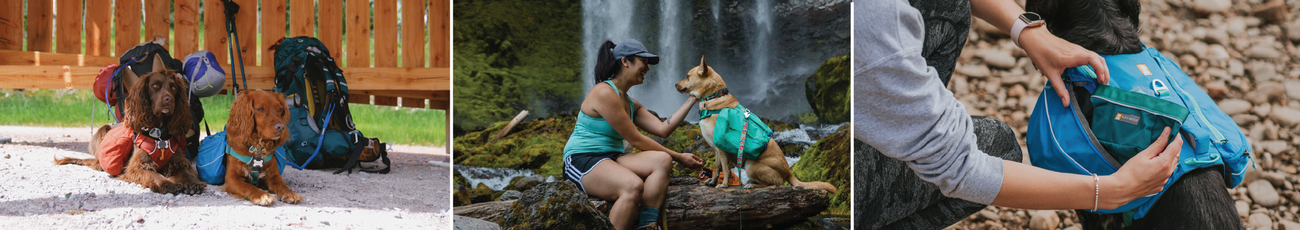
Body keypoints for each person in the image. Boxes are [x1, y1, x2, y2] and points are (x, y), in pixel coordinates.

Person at [852, 0, 1184, 229]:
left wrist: (1027, 30)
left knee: (947, 8)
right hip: (805, 192)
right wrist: (1111, 191)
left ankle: (887, 120)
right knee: (996, 148)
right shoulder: (873, 25)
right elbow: (960, 168)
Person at [562, 39, 704, 230]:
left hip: (612, 159)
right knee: (632, 186)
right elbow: (635, 139)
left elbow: (663, 129)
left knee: (662, 160)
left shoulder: (630, 103)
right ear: (625, 61)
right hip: (582, 159)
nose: (647, 68)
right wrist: (679, 157)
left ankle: (648, 225)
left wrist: (693, 98)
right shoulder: (603, 92)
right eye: (643, 62)